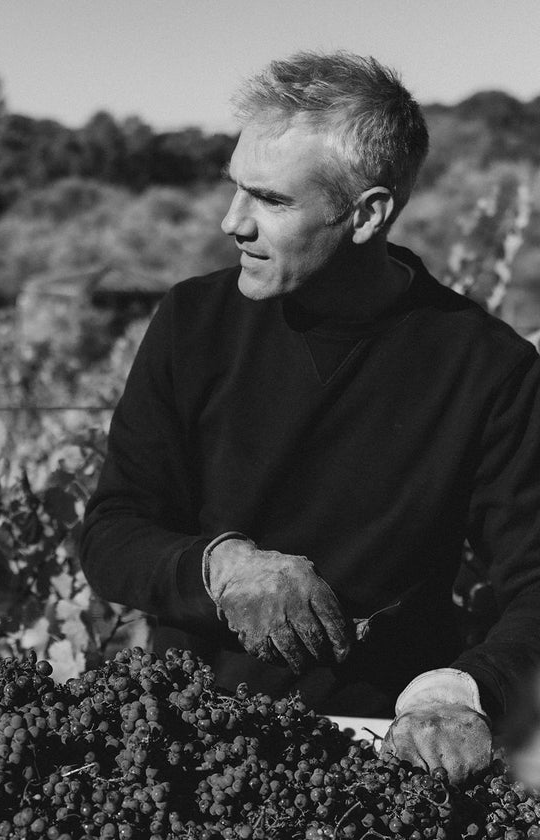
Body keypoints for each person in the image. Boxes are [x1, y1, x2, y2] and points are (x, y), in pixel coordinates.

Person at [80, 51, 540, 782]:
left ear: (368, 215)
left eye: (272, 199)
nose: (234, 222)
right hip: (181, 739)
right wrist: (220, 567)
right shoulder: (191, 322)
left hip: (380, 754)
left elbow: (533, 584)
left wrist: (461, 688)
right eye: (236, 189)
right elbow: (111, 530)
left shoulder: (488, 369)